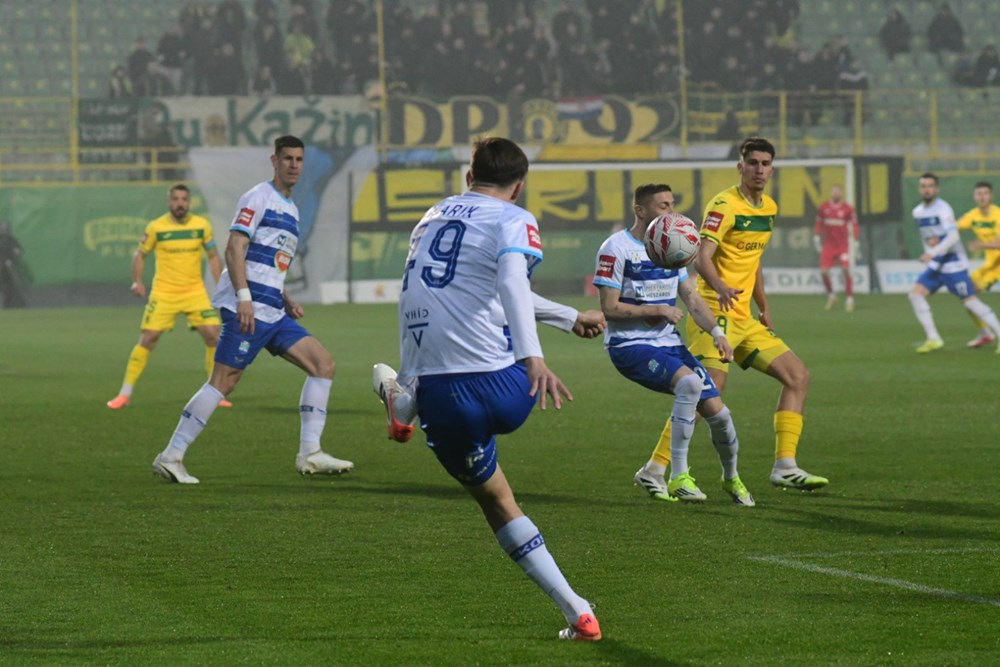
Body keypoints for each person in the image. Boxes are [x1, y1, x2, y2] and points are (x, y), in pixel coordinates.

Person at [371, 137, 603, 641]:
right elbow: (511, 283)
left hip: (444, 398)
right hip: (511, 388)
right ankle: (580, 614)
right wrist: (534, 356)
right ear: (518, 187)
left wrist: (568, 318)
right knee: (500, 492)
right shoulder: (512, 217)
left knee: (496, 503)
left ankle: (404, 397)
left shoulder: (429, 217)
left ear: (468, 176)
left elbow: (470, 291)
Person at [151, 135, 353, 484]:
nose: (293, 165)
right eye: (287, 158)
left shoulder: (292, 210)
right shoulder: (258, 197)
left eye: (299, 159)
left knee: (323, 365)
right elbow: (234, 248)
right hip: (248, 308)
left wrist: (284, 297)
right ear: (274, 161)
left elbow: (270, 263)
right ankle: (171, 456)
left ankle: (310, 453)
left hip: (273, 309)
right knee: (224, 381)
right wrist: (243, 297)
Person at [594, 184, 755, 507]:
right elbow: (609, 308)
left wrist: (717, 333)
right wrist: (656, 310)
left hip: (668, 344)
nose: (671, 211)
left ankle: (731, 478)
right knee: (690, 384)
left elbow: (691, 298)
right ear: (640, 211)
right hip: (629, 345)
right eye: (663, 206)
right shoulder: (615, 248)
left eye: (672, 204)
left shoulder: (673, 243)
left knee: (720, 415)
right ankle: (679, 476)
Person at [684, 137, 828, 491]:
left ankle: (785, 466)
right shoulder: (723, 205)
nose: (759, 170)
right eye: (753, 163)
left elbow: (754, 261)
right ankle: (656, 467)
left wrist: (764, 306)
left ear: (772, 169)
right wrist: (720, 287)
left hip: (744, 317)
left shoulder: (769, 208)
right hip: (713, 312)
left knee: (797, 376)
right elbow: (701, 257)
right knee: (707, 389)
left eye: (765, 164)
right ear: (741, 167)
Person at [107, 185, 229, 410]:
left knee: (214, 336)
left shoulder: (201, 226)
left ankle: (214, 394)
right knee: (148, 338)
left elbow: (213, 256)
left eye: (184, 199)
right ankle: (124, 394)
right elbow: (140, 254)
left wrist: (220, 286)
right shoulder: (156, 227)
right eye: (176, 199)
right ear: (169, 202)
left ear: (189, 202)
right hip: (164, 293)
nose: (180, 203)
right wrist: (137, 280)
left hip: (194, 292)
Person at [909, 174, 1000, 353]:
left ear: (937, 189)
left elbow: (953, 236)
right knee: (915, 294)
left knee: (970, 300)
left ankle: (990, 332)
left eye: (930, 186)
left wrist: (932, 252)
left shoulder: (944, 209)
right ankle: (934, 338)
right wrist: (934, 246)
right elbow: (949, 230)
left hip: (955, 264)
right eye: (923, 186)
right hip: (939, 265)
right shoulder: (918, 212)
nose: (926, 189)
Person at [958, 182, 1000, 348]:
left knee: (969, 296)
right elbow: (954, 227)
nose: (982, 197)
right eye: (979, 194)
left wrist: (979, 245)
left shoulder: (998, 214)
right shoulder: (973, 215)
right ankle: (985, 333)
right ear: (974, 197)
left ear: (991, 196)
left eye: (985, 193)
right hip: (992, 267)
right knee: (967, 295)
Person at [814, 184, 860, 312]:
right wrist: (816, 236)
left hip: (842, 246)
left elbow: (854, 225)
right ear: (831, 193)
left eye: (838, 191)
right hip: (828, 246)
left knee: (845, 269)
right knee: (823, 272)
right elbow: (819, 223)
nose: (836, 193)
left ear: (842, 193)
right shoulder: (823, 207)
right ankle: (831, 296)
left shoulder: (848, 209)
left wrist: (856, 240)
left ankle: (849, 299)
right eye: (834, 191)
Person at [0, 221, 27, 308]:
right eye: (2, 228)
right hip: (3, 265)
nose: (3, 230)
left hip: (9, 266)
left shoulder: (10, 239)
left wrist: (15, 252)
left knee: (10, 285)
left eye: (4, 228)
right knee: (4, 285)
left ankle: (8, 303)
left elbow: (18, 250)